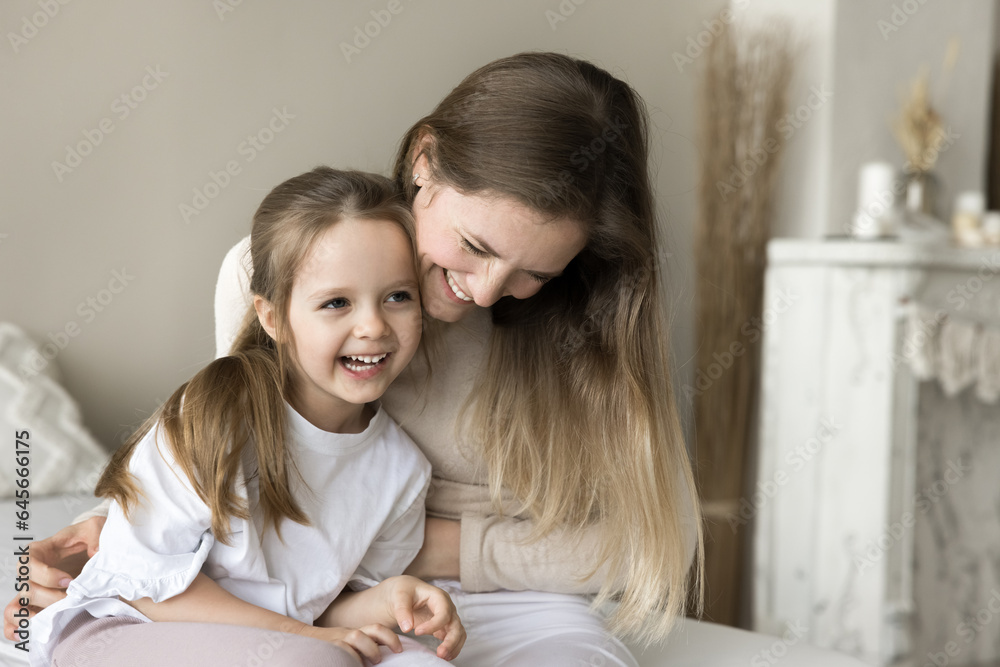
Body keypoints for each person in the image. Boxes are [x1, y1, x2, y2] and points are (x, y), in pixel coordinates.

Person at [8, 52, 702, 666]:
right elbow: (233, 466)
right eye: (477, 247)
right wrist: (110, 531)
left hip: (451, 593)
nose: (490, 291)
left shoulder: (577, 323)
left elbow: (644, 548)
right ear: (424, 161)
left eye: (534, 273)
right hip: (324, 586)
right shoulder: (283, 266)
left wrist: (414, 554)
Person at [27, 167, 465, 667]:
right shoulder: (220, 412)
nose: (372, 325)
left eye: (397, 296)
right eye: (336, 302)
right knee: (316, 662)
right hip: (128, 622)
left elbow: (325, 609)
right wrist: (301, 636)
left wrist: (390, 599)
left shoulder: (402, 471)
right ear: (273, 317)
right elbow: (143, 585)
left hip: (275, 638)